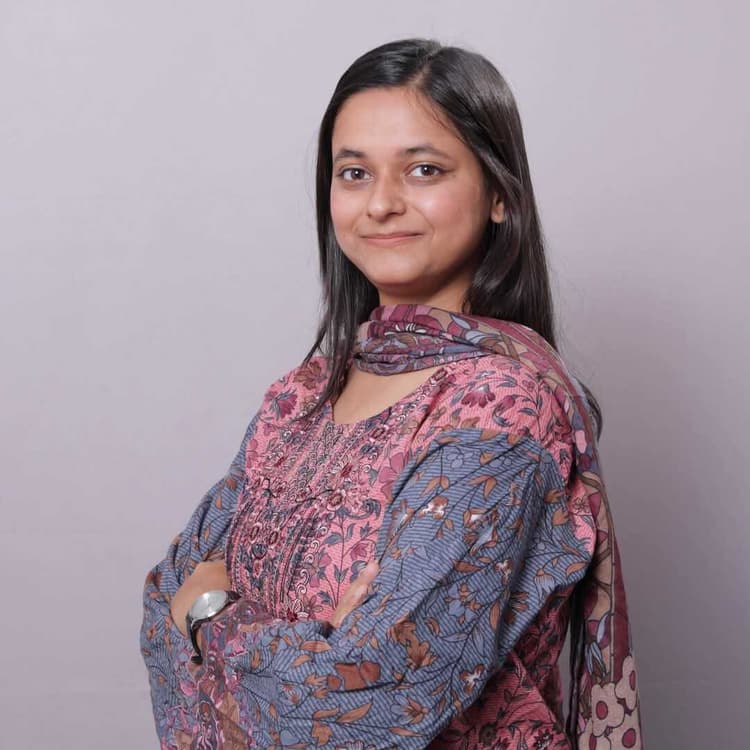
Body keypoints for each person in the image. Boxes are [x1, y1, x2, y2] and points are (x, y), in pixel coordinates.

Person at [140, 38, 644, 749]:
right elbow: (165, 592)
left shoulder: (502, 409)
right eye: (354, 173)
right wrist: (307, 646)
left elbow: (377, 691)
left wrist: (213, 617)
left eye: (424, 169)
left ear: (500, 194)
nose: (381, 203)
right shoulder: (302, 397)